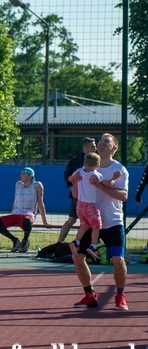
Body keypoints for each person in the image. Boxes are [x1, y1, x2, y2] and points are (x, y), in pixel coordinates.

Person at [69, 133, 134, 310]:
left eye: (107, 141)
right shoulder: (86, 167)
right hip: (90, 221)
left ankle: (120, 296)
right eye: (101, 141)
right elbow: (75, 195)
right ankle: (89, 294)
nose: (102, 143)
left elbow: (124, 196)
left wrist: (100, 186)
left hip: (112, 221)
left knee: (118, 260)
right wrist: (75, 184)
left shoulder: (119, 170)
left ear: (114, 148)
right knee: (77, 256)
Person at [68, 152, 121, 259]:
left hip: (79, 205)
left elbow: (70, 179)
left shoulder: (79, 171)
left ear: (84, 163)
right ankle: (93, 245)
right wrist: (115, 177)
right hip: (89, 205)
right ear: (97, 166)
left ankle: (77, 241)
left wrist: (73, 179)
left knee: (84, 225)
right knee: (97, 226)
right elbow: (108, 184)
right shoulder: (95, 174)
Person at [0, 167, 48, 253]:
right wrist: (12, 213)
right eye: (21, 173)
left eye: (23, 173)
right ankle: (15, 241)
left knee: (27, 221)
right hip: (16, 214)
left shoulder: (37, 185)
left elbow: (40, 202)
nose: (21, 175)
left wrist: (45, 221)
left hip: (28, 214)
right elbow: (15, 201)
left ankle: (25, 241)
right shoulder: (18, 184)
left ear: (30, 176)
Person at [58, 137, 97, 243]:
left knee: (85, 221)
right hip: (80, 197)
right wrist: (73, 182)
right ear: (85, 147)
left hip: (88, 196)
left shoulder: (94, 159)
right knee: (75, 219)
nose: (95, 148)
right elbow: (68, 176)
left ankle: (87, 243)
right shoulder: (78, 161)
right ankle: (59, 243)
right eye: (93, 146)